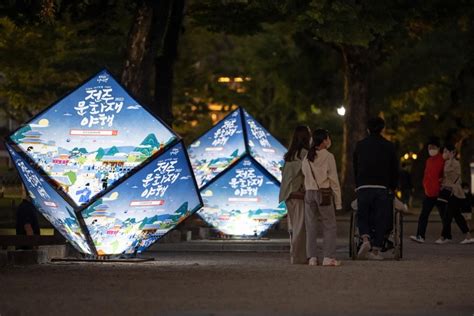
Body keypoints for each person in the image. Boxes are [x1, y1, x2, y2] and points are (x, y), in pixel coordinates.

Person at [353, 117, 398, 260]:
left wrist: (358, 184)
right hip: (381, 186)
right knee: (381, 217)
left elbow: (355, 166)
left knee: (363, 214)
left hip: (364, 185)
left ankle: (365, 239)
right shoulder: (389, 146)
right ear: (382, 129)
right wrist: (393, 186)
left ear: (368, 129)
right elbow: (394, 169)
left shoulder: (360, 145)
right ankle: (376, 250)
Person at [302, 129, 342, 267]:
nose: (329, 140)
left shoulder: (307, 157)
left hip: (309, 193)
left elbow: (304, 175)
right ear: (324, 141)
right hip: (323, 193)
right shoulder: (328, 156)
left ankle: (312, 257)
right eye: (328, 138)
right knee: (329, 225)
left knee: (311, 226)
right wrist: (338, 202)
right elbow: (334, 180)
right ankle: (328, 257)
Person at [279, 125, 311, 264]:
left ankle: (295, 254)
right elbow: (306, 174)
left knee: (293, 226)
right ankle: (299, 257)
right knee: (300, 226)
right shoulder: (304, 154)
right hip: (298, 194)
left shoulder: (289, 154)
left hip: (287, 194)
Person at [435, 144, 474, 244]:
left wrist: (451, 159)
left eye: (446, 151)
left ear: (452, 152)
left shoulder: (455, 163)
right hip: (449, 192)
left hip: (455, 193)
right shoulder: (447, 162)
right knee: (457, 216)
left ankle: (443, 237)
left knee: (448, 215)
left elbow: (453, 176)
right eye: (444, 151)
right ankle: (468, 236)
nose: (444, 153)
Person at [410, 137, 446, 243]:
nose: (431, 149)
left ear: (438, 148)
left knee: (444, 215)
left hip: (440, 192)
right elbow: (426, 175)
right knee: (424, 215)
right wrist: (425, 186)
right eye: (429, 148)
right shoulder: (429, 160)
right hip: (429, 193)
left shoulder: (442, 160)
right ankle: (420, 236)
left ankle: (445, 236)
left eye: (433, 147)